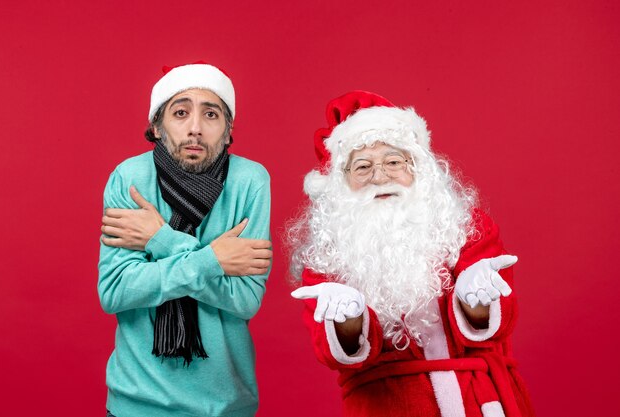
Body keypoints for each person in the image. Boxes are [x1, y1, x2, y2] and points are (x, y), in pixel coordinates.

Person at [289, 91, 535, 417]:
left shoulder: (466, 225)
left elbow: (494, 323)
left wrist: (474, 299)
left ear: (418, 166)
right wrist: (348, 321)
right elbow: (336, 351)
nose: (380, 176)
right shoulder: (327, 255)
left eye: (393, 161)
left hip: (480, 401)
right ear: (340, 183)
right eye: (362, 167)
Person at [98, 61, 272, 417]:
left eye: (211, 115)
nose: (195, 128)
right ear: (158, 127)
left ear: (227, 130)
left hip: (225, 405)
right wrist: (213, 260)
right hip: (136, 404)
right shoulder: (129, 178)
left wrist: (161, 240)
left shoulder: (250, 181)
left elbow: (245, 300)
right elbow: (115, 291)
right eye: (181, 112)